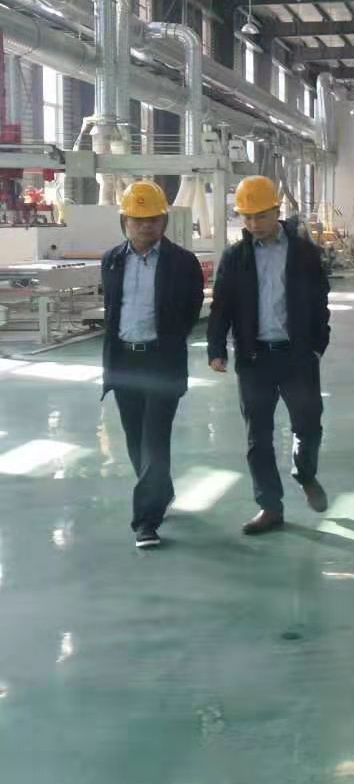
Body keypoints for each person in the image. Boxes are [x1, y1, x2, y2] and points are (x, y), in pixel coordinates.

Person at [207, 175, 331, 535]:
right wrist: (216, 348)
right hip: (254, 358)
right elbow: (222, 306)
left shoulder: (305, 253)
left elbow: (320, 302)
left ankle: (304, 472)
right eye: (246, 217)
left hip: (297, 357)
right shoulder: (235, 257)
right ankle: (270, 506)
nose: (254, 224)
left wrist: (317, 345)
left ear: (277, 211)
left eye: (260, 216)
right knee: (257, 437)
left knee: (308, 425)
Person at [100, 180, 204, 549]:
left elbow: (191, 309)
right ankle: (161, 490)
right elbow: (113, 309)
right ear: (124, 221)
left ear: (164, 221)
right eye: (138, 219)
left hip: (161, 362)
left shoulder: (183, 263)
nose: (146, 225)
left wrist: (168, 341)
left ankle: (146, 521)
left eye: (153, 219)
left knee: (155, 440)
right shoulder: (112, 260)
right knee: (134, 439)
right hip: (124, 361)